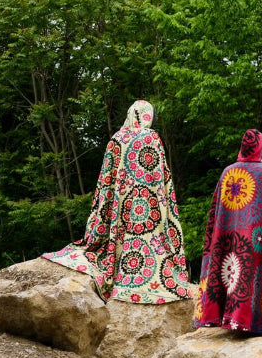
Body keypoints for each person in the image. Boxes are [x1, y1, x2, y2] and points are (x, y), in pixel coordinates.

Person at [43, 99, 193, 304]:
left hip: (120, 209)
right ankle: (153, 276)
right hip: (150, 214)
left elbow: (105, 183)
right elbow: (163, 180)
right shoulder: (152, 137)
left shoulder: (116, 139)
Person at [194, 129, 262, 334]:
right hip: (259, 239)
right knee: (256, 273)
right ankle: (258, 320)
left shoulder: (227, 171)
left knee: (229, 268)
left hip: (229, 238)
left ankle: (225, 317)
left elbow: (216, 213)